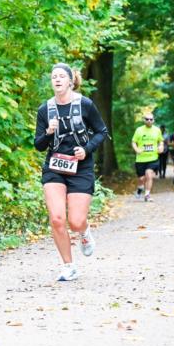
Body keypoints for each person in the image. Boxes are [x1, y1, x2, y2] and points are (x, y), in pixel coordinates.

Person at [34, 63, 109, 282]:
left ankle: (84, 232)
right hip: (55, 167)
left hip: (80, 167)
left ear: (70, 80)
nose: (56, 80)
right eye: (53, 77)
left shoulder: (84, 104)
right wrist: (48, 133)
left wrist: (85, 150)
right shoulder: (45, 109)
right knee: (57, 219)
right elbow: (38, 145)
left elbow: (101, 132)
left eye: (61, 76)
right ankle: (68, 266)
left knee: (75, 221)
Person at [131, 113, 163, 202]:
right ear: (144, 120)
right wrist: (137, 149)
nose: (149, 121)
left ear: (154, 120)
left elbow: (161, 141)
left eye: (151, 119)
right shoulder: (139, 130)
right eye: (147, 119)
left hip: (153, 158)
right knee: (142, 178)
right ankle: (140, 188)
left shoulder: (157, 130)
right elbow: (133, 142)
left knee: (149, 174)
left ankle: (147, 195)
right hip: (141, 159)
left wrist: (161, 147)